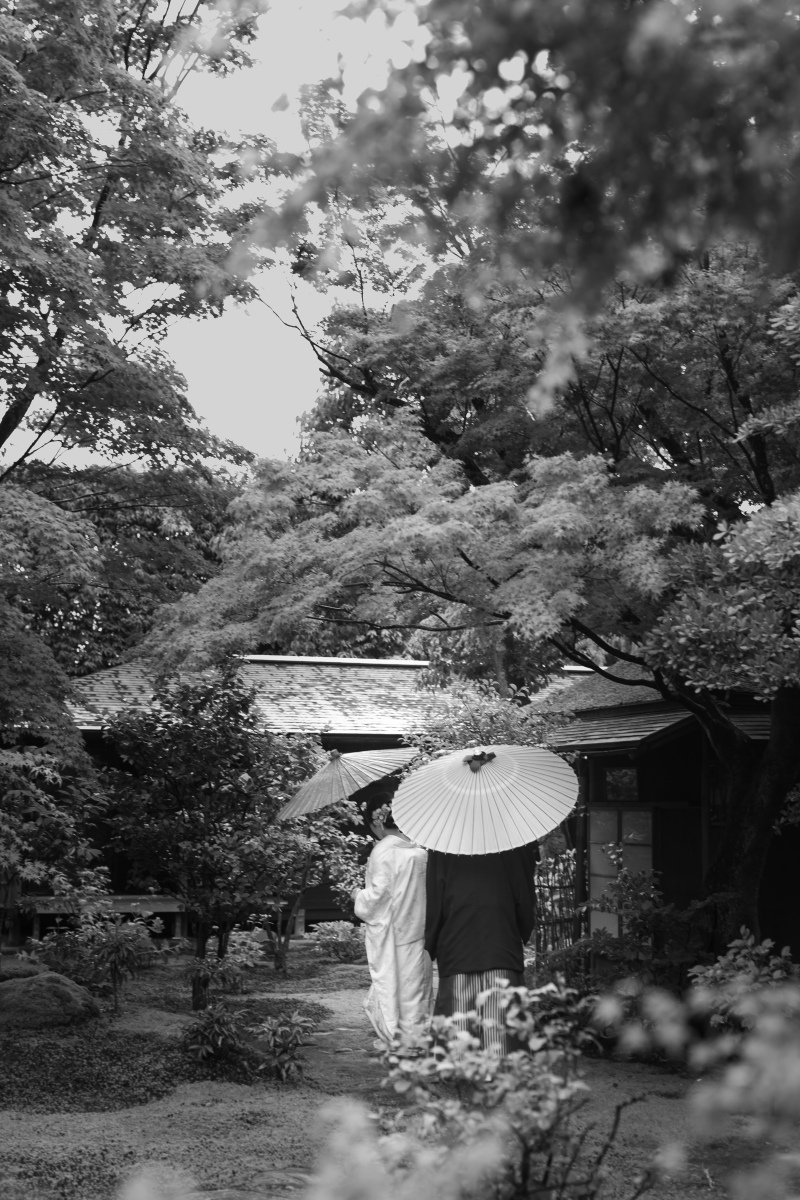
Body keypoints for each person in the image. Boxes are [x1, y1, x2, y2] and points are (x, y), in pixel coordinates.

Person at [424, 843, 538, 1054]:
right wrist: (523, 927)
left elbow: (435, 896)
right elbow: (524, 892)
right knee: (501, 1000)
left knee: (458, 1002)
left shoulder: (443, 844)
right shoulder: (512, 842)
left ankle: (459, 1061)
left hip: (456, 935)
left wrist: (432, 938)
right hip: (500, 933)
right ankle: (500, 1059)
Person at [351, 792, 433, 1048]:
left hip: (394, 932)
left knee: (395, 985)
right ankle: (418, 1039)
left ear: (378, 821)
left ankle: (399, 1039)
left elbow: (379, 897)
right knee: (417, 985)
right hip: (419, 927)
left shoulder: (383, 851)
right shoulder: (421, 851)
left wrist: (357, 895)